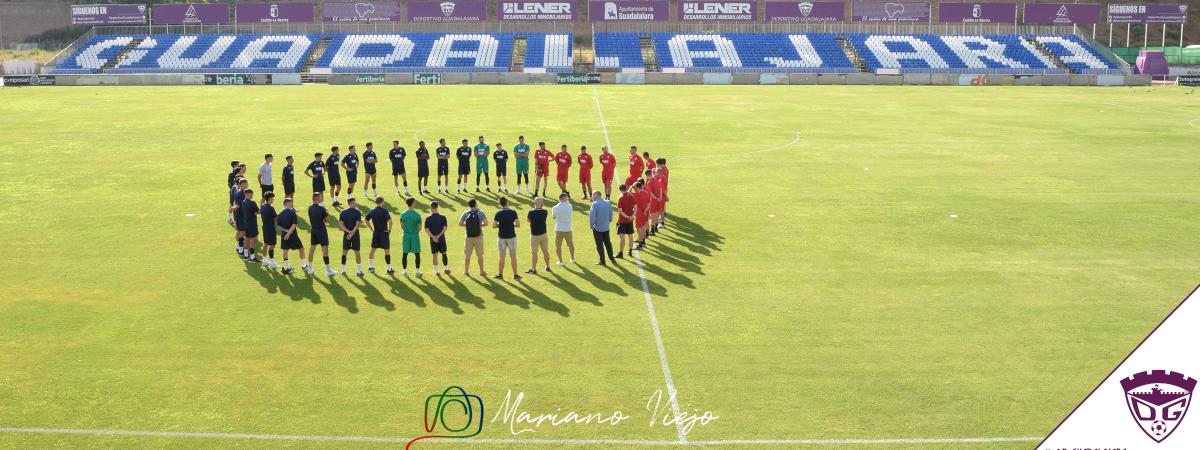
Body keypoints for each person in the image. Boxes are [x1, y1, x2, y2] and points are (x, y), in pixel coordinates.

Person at [307, 192, 337, 277]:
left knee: (312, 248)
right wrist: (324, 219)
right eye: (320, 197)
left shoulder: (309, 208)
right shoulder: (322, 208)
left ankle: (310, 268)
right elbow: (328, 220)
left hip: (314, 230)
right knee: (325, 250)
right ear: (316, 198)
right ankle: (328, 270)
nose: (322, 198)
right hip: (321, 231)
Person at [492, 196, 521, 280]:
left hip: (501, 237)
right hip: (511, 237)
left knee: (501, 257)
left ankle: (500, 275)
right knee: (513, 256)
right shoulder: (513, 212)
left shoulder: (498, 213)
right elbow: (518, 224)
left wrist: (501, 225)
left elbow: (494, 225)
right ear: (507, 202)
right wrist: (511, 225)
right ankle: (515, 275)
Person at [276, 197, 307, 275]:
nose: (292, 204)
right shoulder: (292, 213)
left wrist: (286, 232)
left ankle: (288, 267)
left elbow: (278, 226)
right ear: (288, 204)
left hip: (284, 235)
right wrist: (289, 233)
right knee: (301, 248)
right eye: (291, 203)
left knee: (285, 251)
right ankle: (303, 265)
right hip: (293, 235)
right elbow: (294, 225)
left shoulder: (280, 214)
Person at [364, 196, 394, 274]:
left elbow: (366, 220)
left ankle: (370, 267)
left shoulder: (372, 210)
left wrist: (371, 229)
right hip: (384, 233)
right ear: (382, 202)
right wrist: (389, 230)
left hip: (376, 232)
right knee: (386, 250)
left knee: (373, 249)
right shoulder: (384, 211)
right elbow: (390, 222)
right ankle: (389, 268)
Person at [458, 199, 489, 276]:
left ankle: (466, 271)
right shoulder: (480, 212)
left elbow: (460, 223)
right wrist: (479, 225)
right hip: (479, 236)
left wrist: (467, 225)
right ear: (475, 204)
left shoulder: (465, 213)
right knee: (480, 255)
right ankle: (482, 271)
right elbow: (486, 223)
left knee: (467, 255)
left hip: (468, 237)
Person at [338, 197, 364, 277]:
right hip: (355, 234)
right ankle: (359, 271)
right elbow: (358, 224)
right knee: (357, 252)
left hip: (346, 234)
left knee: (344, 252)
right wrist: (352, 233)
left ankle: (343, 270)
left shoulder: (342, 212)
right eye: (355, 202)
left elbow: (341, 224)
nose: (356, 204)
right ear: (351, 203)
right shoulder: (357, 212)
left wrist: (348, 232)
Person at [589, 190, 617, 266]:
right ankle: (612, 258)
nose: (592, 197)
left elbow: (592, 216)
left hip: (597, 228)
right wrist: (608, 221)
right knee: (608, 243)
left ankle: (602, 261)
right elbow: (611, 213)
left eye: (593, 195)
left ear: (597, 195)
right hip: (606, 227)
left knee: (599, 245)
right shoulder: (608, 202)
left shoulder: (594, 204)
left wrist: (591, 225)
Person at [526, 197, 551, 275]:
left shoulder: (531, 212)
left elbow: (528, 220)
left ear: (534, 203)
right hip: (544, 235)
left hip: (534, 236)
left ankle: (533, 269)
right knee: (545, 251)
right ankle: (548, 266)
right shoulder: (545, 211)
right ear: (542, 203)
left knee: (534, 253)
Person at [399, 197, 423, 276]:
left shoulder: (403, 214)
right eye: (415, 202)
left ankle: (404, 271)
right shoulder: (417, 215)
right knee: (417, 254)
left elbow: (402, 226)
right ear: (412, 203)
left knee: (405, 253)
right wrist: (415, 232)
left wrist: (407, 231)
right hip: (415, 236)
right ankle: (417, 271)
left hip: (406, 235)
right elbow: (420, 227)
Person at [425, 201, 450, 275]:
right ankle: (446, 269)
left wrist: (433, 237)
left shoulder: (428, 218)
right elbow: (445, 228)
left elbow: (427, 229)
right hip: (441, 238)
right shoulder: (443, 217)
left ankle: (437, 271)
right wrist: (439, 236)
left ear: (431, 208)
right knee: (444, 253)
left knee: (435, 255)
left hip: (433, 240)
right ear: (437, 207)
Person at [551, 192, 576, 265]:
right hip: (568, 229)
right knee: (571, 245)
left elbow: (553, 217)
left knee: (558, 246)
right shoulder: (570, 206)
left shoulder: (555, 208)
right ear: (564, 198)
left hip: (558, 229)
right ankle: (572, 258)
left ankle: (561, 261)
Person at [615, 184, 636, 259]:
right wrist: (632, 216)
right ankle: (630, 251)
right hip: (630, 221)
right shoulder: (631, 196)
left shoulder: (620, 198)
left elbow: (620, 211)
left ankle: (621, 253)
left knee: (622, 239)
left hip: (623, 221)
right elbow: (635, 208)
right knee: (631, 237)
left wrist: (627, 217)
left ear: (620, 190)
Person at [259, 192, 279, 270]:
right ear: (269, 198)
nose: (273, 199)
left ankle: (264, 260)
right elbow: (275, 218)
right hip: (270, 228)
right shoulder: (271, 208)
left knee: (266, 243)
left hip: (265, 227)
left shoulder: (262, 206)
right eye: (272, 198)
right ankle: (272, 262)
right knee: (272, 245)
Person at [230, 178, 248, 256]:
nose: (246, 185)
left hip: (239, 215)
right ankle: (241, 250)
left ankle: (238, 246)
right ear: (241, 185)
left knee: (239, 231)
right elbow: (238, 205)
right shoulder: (241, 194)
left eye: (246, 183)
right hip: (241, 215)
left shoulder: (240, 191)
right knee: (242, 232)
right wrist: (233, 208)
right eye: (245, 184)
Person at [240, 189, 259, 263]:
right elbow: (258, 211)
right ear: (249, 194)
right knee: (253, 240)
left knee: (247, 239)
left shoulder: (243, 202)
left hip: (246, 224)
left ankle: (245, 256)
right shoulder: (252, 202)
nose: (252, 196)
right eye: (252, 194)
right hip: (252, 224)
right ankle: (252, 257)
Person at [633, 180, 651, 250]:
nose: (634, 189)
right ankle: (643, 242)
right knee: (643, 227)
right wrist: (646, 210)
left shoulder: (637, 194)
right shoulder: (645, 193)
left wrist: (631, 187)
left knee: (639, 228)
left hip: (639, 214)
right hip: (644, 213)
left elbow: (627, 193)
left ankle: (640, 244)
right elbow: (649, 203)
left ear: (637, 187)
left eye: (634, 187)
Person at [648, 167, 666, 233]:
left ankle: (653, 229)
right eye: (661, 174)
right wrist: (660, 197)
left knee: (654, 215)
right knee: (656, 214)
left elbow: (650, 192)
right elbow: (661, 188)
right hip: (658, 200)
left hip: (654, 200)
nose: (661, 175)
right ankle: (655, 228)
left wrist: (657, 198)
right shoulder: (656, 179)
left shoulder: (651, 180)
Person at [656, 157, 669, 228]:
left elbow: (662, 188)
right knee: (662, 206)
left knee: (660, 207)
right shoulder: (665, 168)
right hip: (664, 188)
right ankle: (662, 218)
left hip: (662, 191)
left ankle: (661, 222)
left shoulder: (662, 176)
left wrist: (666, 196)